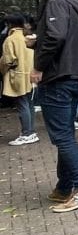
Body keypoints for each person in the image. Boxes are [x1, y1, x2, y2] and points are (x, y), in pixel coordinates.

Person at [32, 0, 78, 212]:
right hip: (77, 73)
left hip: (58, 75)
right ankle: (64, 187)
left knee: (62, 136)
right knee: (66, 132)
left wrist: (39, 65)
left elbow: (56, 36)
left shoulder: (56, 2)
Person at [2, 13, 37, 146]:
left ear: (9, 24)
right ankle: (31, 131)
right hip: (30, 73)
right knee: (29, 104)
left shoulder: (10, 40)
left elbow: (8, 60)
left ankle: (26, 133)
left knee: (22, 105)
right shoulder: (27, 38)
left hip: (16, 74)